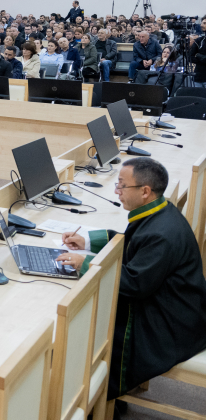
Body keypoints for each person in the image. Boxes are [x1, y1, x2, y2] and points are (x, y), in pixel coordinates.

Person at [56, 158, 206, 403]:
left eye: (122, 186)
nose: (117, 191)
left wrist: (85, 264)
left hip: (172, 324)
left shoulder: (161, 234)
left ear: (145, 191)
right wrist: (88, 241)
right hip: (176, 304)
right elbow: (136, 244)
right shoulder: (159, 211)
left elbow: (134, 284)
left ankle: (92, 399)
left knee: (89, 327)